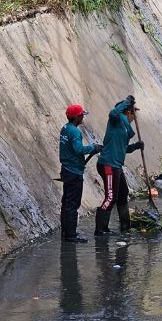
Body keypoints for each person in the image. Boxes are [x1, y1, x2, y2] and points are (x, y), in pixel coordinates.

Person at [96, 95, 144, 235]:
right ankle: (100, 229)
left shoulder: (124, 128)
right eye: (133, 114)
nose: (134, 118)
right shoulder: (116, 120)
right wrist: (127, 102)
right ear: (128, 112)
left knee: (123, 194)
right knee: (111, 197)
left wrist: (135, 146)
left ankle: (125, 225)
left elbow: (123, 148)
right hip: (108, 165)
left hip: (116, 166)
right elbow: (113, 112)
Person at [59, 104, 102, 243]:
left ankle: (65, 232)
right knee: (72, 203)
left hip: (66, 169)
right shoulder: (75, 132)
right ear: (76, 117)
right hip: (73, 172)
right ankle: (71, 236)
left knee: (66, 202)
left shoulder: (65, 128)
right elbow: (78, 149)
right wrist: (92, 147)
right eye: (81, 115)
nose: (83, 117)